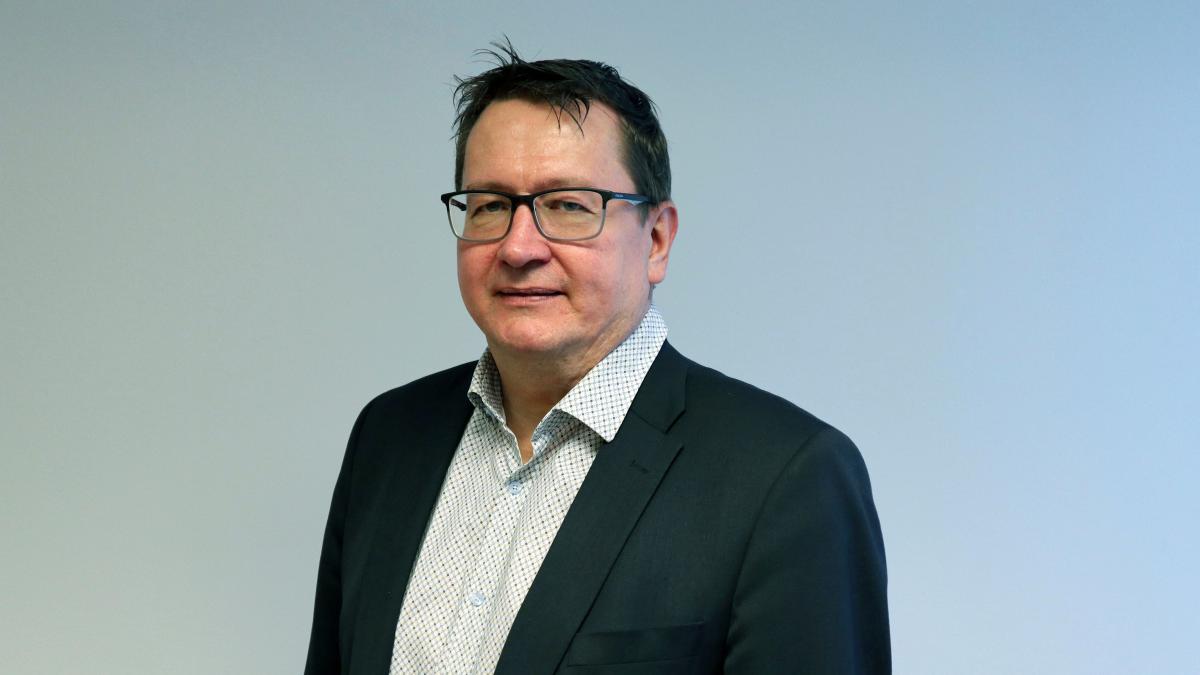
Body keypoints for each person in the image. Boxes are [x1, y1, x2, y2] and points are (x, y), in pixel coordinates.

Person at [304, 43, 889, 675]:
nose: (519, 248)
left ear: (656, 240)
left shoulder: (785, 478)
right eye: (491, 205)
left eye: (568, 205)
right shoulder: (388, 437)